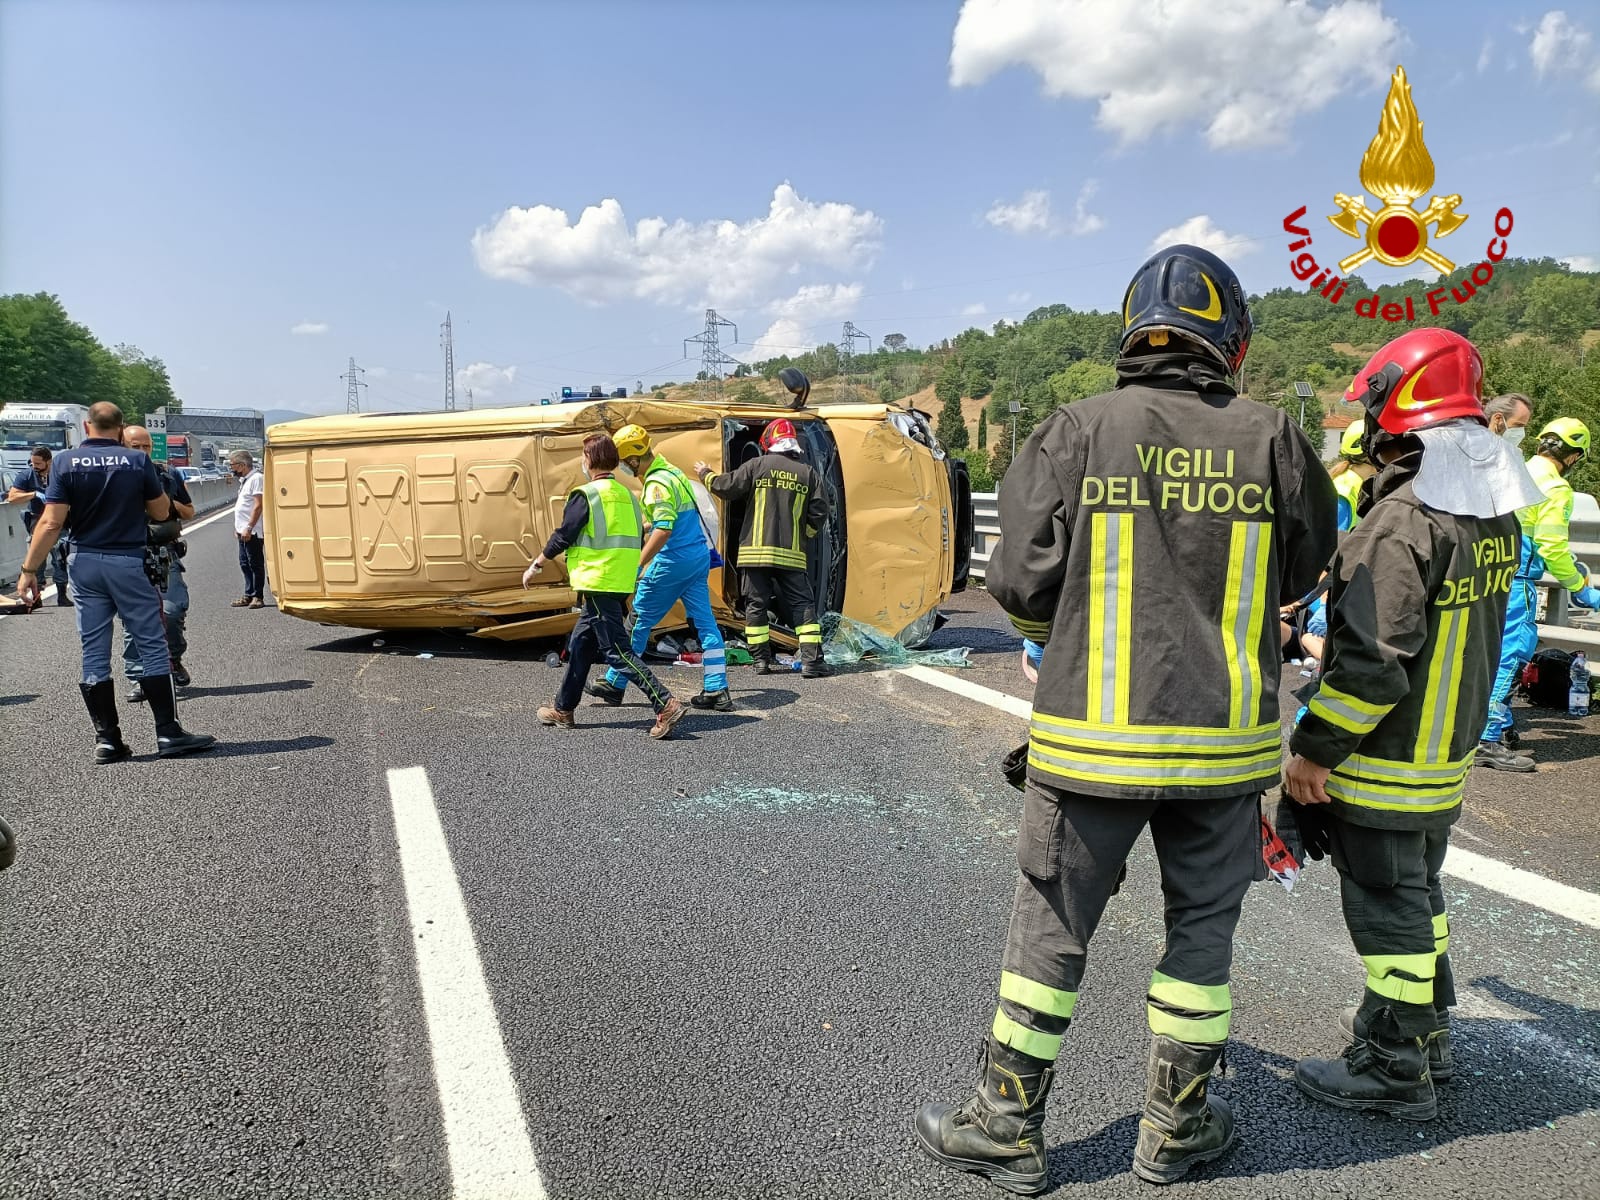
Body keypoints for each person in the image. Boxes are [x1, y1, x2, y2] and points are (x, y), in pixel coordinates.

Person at [914, 244, 1338, 1193]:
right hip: (1223, 752)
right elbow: (1311, 564)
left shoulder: (1076, 430)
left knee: (1051, 929)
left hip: (1089, 743)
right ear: (1230, 340)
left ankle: (1007, 1125)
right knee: (1202, 931)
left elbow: (1017, 580)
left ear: (1130, 332)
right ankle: (1177, 1130)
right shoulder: (1274, 436)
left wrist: (1048, 635)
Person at [1283, 328, 1544, 1121]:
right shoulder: (1490, 514)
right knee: (1419, 900)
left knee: (1388, 906)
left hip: (1388, 762)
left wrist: (1312, 750)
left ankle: (1396, 1069)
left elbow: (1370, 663)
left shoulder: (1401, 525)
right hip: (1445, 759)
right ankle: (1425, 1038)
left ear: (1397, 415)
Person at [16, 402, 214, 761]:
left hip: (84, 562)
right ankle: (168, 733)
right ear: (121, 429)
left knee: (94, 650)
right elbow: (159, 511)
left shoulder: (64, 461)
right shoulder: (137, 462)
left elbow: (51, 522)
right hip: (127, 560)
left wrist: (29, 570)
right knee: (151, 643)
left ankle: (108, 740)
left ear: (88, 426)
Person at [526, 432, 685, 739]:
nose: (582, 462)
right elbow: (635, 536)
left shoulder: (586, 495)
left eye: (584, 457)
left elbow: (564, 534)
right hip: (619, 580)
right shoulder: (628, 495)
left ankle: (665, 703)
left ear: (590, 460)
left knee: (617, 652)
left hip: (598, 580)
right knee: (580, 647)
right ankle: (563, 709)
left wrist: (537, 564)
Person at [1478, 413, 1596, 770]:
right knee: (1511, 656)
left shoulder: (1516, 468)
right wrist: (1580, 587)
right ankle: (1487, 739)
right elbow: (1552, 547)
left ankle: (1497, 724)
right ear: (1573, 456)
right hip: (1519, 583)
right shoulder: (1556, 488)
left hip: (1490, 574)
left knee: (1486, 652)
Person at [589, 424, 732, 711]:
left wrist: (638, 563)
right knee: (705, 623)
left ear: (631, 460)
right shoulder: (672, 472)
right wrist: (646, 525)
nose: (622, 469)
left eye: (623, 463)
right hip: (697, 557)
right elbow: (672, 518)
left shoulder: (656, 484)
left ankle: (614, 682)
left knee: (638, 621)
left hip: (672, 562)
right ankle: (717, 689)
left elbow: (665, 528)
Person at [694, 400, 830, 678]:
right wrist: (805, 534)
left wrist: (705, 475)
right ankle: (812, 663)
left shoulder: (756, 465)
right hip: (791, 555)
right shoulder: (808, 473)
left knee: (756, 606)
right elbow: (820, 511)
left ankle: (761, 662)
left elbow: (726, 487)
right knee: (802, 606)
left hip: (754, 554)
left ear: (770, 442)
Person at [120, 425, 195, 699]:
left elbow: (189, 511)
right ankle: (139, 677)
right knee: (133, 620)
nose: (141, 452)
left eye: (146, 447)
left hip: (165, 552)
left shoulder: (167, 474)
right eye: (135, 447)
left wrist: (165, 503)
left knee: (173, 612)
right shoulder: (112, 475)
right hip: (128, 554)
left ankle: (172, 660)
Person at [7, 445, 71, 605]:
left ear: (49, 462)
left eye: (38, 464)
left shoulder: (60, 474)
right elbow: (12, 497)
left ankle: (62, 594)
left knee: (60, 558)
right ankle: (36, 597)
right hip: (37, 521)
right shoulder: (28, 475)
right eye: (32, 463)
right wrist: (34, 494)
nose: (34, 467)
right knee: (37, 560)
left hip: (59, 522)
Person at [230, 449, 267, 608]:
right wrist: (238, 527)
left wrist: (249, 527)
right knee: (244, 563)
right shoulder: (246, 480)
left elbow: (258, 505)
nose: (232, 469)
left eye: (233, 465)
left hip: (253, 531)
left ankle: (258, 596)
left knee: (255, 564)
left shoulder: (257, 478)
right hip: (242, 530)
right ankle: (248, 594)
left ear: (243, 465)